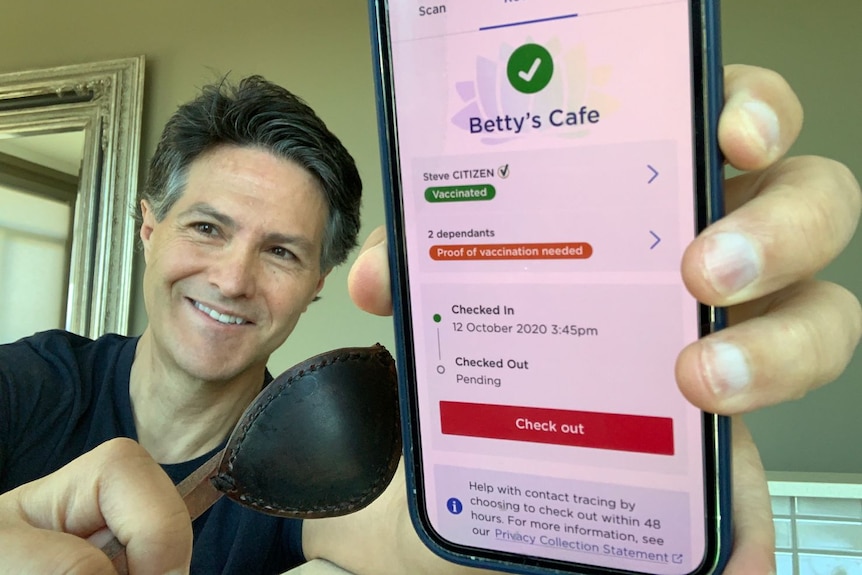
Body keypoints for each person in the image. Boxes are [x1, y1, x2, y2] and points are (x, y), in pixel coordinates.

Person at [0, 64, 860, 575]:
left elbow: (474, 537)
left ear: (322, 282)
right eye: (206, 227)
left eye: (284, 251)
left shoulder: (327, 455)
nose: (231, 276)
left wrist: (641, 435)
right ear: (150, 225)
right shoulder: (31, 382)